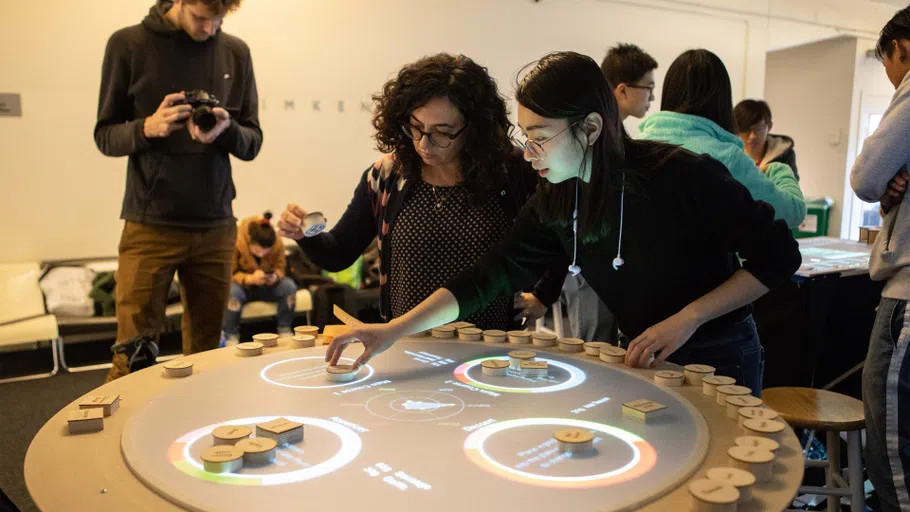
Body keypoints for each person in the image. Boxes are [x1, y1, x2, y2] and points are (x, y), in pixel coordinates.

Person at [325, 51, 801, 396]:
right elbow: (490, 276)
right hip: (642, 353)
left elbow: (780, 256)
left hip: (720, 352)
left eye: (539, 138)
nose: (529, 154)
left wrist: (687, 319)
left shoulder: (682, 174)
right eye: (525, 137)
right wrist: (395, 330)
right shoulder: (559, 195)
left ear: (591, 128)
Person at [278, 54, 563, 331]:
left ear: (475, 128)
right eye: (416, 127)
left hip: (489, 345)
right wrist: (305, 234)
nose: (425, 144)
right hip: (407, 342)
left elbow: (560, 234)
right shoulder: (387, 176)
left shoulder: (512, 172)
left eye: (442, 132)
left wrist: (544, 294)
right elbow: (338, 254)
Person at [94, 0, 262, 381]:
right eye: (201, 17)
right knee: (132, 353)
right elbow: (104, 135)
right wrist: (147, 128)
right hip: (149, 224)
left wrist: (227, 130)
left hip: (217, 225)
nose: (210, 29)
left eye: (220, 19)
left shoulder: (236, 52)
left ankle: (200, 437)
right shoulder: (128, 44)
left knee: (207, 355)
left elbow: (252, 141)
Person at [558, 43, 660, 344]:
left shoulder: (616, 136)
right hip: (590, 260)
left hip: (607, 260)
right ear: (622, 90)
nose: (652, 97)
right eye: (648, 88)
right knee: (595, 350)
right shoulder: (594, 136)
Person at [637, 49, 806, 230]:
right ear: (722, 100)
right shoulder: (728, 157)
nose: (752, 136)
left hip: (635, 258)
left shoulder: (636, 145)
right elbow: (793, 211)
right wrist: (778, 169)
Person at [851, 6, 910, 511]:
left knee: (894, 455)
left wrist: (885, 187)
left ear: (900, 49)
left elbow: (866, 177)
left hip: (908, 296)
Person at [222, 212, 297, 344]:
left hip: (267, 286)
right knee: (232, 292)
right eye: (257, 251)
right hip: (243, 287)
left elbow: (281, 268)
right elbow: (229, 274)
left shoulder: (277, 243)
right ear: (249, 241)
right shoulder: (235, 240)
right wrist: (249, 278)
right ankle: (230, 335)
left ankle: (285, 329)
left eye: (266, 252)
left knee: (289, 286)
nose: (262, 255)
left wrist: (275, 276)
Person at [733, 99, 799, 181]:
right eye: (745, 129)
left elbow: (791, 189)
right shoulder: (729, 154)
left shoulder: (784, 155)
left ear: (769, 126)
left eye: (758, 128)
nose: (752, 136)